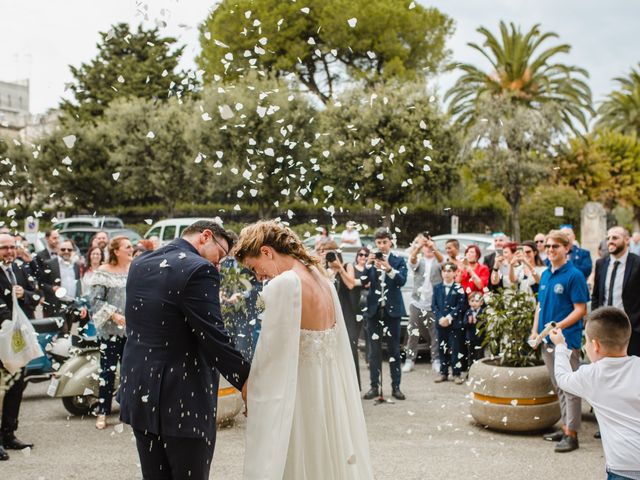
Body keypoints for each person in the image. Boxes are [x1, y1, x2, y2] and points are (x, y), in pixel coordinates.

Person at [234, 220, 373, 479]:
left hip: (301, 393)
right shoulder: (321, 277)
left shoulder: (285, 284)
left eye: (255, 268)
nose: (258, 276)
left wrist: (250, 391)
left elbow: (270, 356)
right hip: (329, 392)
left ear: (266, 251)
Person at [118, 221, 250, 480]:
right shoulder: (199, 269)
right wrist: (247, 381)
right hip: (182, 397)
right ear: (205, 236)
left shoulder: (140, 263)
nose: (218, 265)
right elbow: (214, 338)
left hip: (140, 391)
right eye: (221, 255)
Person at [549, 308, 640, 479]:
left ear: (596, 345)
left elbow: (562, 378)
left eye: (587, 342)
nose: (586, 346)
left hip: (623, 467)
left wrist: (560, 346)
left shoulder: (591, 375)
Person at [530, 230, 589, 453]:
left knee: (570, 388)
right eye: (548, 246)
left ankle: (572, 434)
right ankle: (565, 426)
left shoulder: (574, 275)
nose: (551, 250)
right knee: (558, 385)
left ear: (567, 249)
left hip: (566, 340)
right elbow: (540, 306)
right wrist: (536, 331)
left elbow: (580, 310)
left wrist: (557, 328)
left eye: (556, 246)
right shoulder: (545, 274)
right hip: (546, 340)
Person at [0, 233, 37, 461]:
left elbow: (38, 296)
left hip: (20, 341)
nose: (9, 251)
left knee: (17, 387)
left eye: (12, 247)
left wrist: (26, 295)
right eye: (4, 248)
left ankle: (9, 434)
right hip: (0, 336)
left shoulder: (21, 270)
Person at [89, 236, 132, 430]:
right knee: (107, 372)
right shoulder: (103, 272)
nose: (131, 249)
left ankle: (127, 411)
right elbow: (95, 301)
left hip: (131, 331)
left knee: (129, 373)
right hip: (110, 331)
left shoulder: (134, 270)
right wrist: (114, 315)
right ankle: (103, 411)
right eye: (128, 247)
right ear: (116, 251)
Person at [362, 228, 408, 401]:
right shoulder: (371, 260)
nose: (381, 246)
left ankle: (396, 387)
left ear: (390, 242)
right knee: (374, 351)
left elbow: (401, 281)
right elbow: (364, 280)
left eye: (384, 242)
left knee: (394, 350)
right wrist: (368, 264)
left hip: (392, 311)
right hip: (374, 311)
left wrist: (388, 268)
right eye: (379, 242)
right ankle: (374, 386)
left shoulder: (398, 260)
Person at [592, 226, 640, 357]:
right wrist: (594, 320)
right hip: (605, 327)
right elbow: (596, 295)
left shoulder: (637, 263)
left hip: (632, 328)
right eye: (608, 238)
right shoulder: (601, 263)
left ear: (627, 240)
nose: (610, 241)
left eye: (615, 238)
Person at [324, 243, 363, 389]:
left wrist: (339, 268)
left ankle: (354, 385)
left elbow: (351, 284)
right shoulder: (325, 271)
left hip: (348, 312)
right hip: (331, 313)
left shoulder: (347, 266)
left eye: (332, 254)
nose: (330, 257)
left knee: (351, 346)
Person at [403, 234, 443, 374]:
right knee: (412, 332)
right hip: (417, 302)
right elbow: (412, 260)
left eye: (429, 247)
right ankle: (410, 360)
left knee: (435, 333)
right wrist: (419, 246)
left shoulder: (438, 262)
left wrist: (434, 247)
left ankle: (436, 360)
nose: (427, 249)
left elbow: (443, 262)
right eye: (425, 247)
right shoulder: (419, 261)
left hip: (433, 304)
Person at [432, 262, 467, 384]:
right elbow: (434, 305)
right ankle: (443, 372)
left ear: (454, 273)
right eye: (444, 271)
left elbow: (461, 305)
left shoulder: (459, 288)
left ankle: (456, 373)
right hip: (441, 323)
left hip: (454, 323)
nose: (446, 274)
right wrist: (441, 318)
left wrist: (449, 317)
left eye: (449, 271)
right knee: (442, 348)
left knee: (455, 348)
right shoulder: (437, 287)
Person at [40, 239, 82, 327]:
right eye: (63, 249)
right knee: (63, 333)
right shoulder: (50, 264)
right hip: (56, 305)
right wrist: (52, 288)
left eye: (69, 250)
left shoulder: (76, 266)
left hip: (71, 305)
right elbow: (41, 283)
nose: (66, 251)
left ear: (73, 251)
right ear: (58, 250)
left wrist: (79, 304)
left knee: (67, 333)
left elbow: (78, 285)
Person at [463, 291, 485, 366]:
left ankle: (480, 371)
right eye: (472, 301)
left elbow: (485, 324)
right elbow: (464, 324)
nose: (474, 303)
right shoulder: (468, 312)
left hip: (480, 338)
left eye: (477, 301)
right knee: (470, 355)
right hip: (470, 338)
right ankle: (470, 371)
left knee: (480, 355)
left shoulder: (483, 312)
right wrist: (469, 322)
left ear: (481, 302)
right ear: (469, 302)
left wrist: (478, 321)